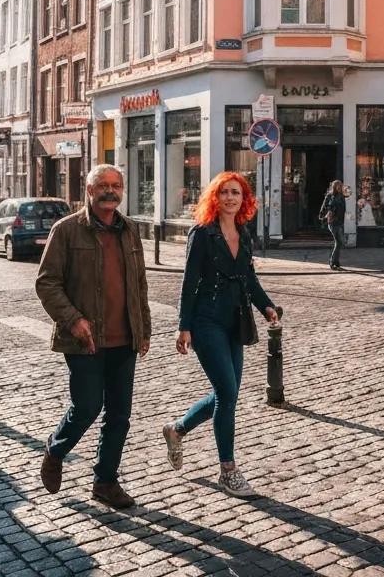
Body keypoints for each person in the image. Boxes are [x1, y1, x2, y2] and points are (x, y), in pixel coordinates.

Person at [36, 164, 151, 510]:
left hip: (124, 338)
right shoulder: (67, 230)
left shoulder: (130, 231)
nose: (110, 191)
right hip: (84, 339)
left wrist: (142, 329)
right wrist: (72, 320)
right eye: (103, 185)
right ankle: (56, 449)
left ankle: (105, 481)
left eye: (117, 185)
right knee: (87, 406)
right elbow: (46, 282)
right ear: (89, 190)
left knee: (119, 415)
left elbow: (139, 285)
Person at [163, 172, 278, 498]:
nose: (230, 198)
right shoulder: (202, 234)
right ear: (215, 197)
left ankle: (177, 429)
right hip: (206, 321)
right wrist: (183, 325)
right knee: (227, 393)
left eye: (236, 193)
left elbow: (249, 279)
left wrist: (266, 307)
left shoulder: (243, 231)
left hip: (235, 322)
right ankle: (228, 471)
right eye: (225, 192)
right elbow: (189, 282)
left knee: (224, 395)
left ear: (244, 199)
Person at [321, 179, 347, 271]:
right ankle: (333, 262)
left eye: (341, 186)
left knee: (339, 243)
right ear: (334, 187)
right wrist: (323, 214)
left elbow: (343, 208)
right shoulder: (330, 195)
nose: (340, 187)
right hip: (332, 221)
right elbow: (325, 206)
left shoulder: (342, 196)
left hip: (340, 221)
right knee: (339, 242)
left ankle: (336, 262)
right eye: (338, 186)